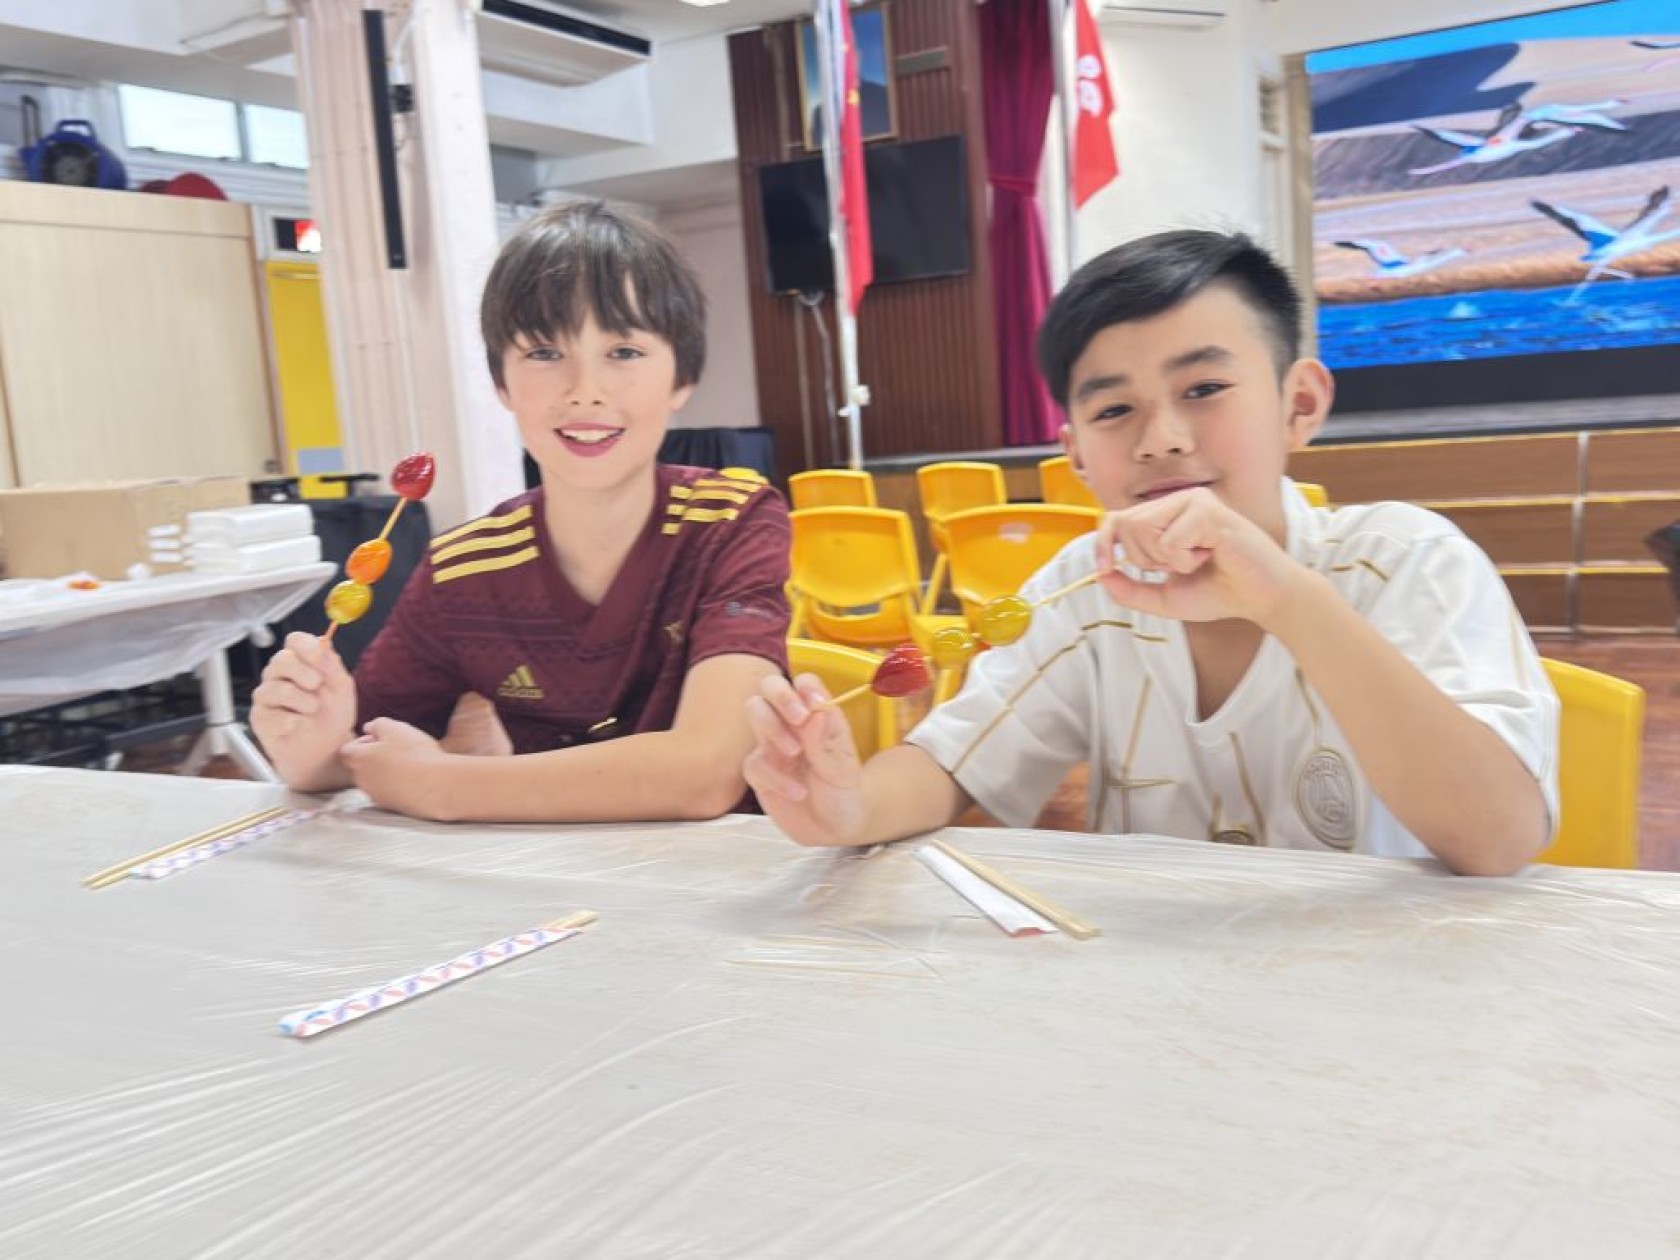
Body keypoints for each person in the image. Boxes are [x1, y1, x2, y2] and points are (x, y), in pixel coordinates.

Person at [745, 230, 1558, 875]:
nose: (1162, 439)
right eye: (1114, 410)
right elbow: (954, 761)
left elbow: (1497, 839)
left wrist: (1287, 600)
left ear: (1299, 404)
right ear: (1074, 453)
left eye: (1204, 390)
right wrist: (849, 807)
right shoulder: (1082, 589)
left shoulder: (1407, 561)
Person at [252, 200, 790, 822]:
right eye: (543, 352)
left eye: (623, 352)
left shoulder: (732, 522)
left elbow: (705, 772)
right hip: (544, 870)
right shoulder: (464, 569)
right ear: (502, 383)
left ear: (682, 379)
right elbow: (367, 752)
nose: (584, 389)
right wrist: (313, 752)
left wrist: (448, 786)